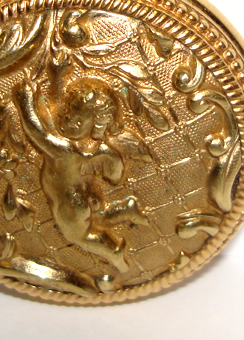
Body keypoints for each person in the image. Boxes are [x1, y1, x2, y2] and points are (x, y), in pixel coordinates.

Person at [13, 78, 147, 273]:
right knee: (95, 219)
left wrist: (24, 102)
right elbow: (115, 174)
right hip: (87, 195)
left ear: (96, 127)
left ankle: (113, 252)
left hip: (69, 204)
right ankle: (125, 210)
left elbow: (38, 133)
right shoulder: (97, 150)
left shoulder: (64, 151)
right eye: (67, 112)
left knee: (78, 236)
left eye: (78, 121)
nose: (67, 121)